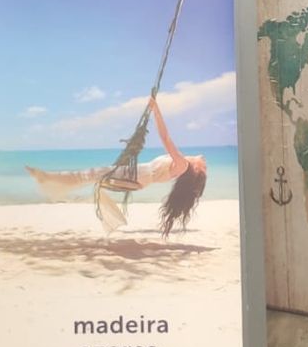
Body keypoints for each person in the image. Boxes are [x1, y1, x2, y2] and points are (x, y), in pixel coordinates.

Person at [26, 96, 209, 239]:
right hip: (139, 177)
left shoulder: (183, 165)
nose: (203, 159)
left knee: (91, 174)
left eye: (204, 165)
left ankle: (49, 178)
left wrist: (156, 109)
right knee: (91, 175)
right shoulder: (181, 166)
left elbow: (166, 138)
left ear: (197, 170)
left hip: (137, 175)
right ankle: (51, 179)